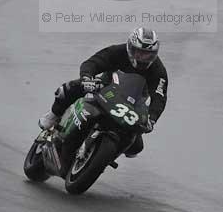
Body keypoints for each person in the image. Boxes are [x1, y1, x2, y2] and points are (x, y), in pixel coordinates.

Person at [39, 27, 168, 157]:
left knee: (136, 147)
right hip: (106, 88)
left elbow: (160, 97)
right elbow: (92, 63)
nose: (143, 58)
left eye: (148, 54)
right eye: (139, 52)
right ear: (130, 47)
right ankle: (53, 115)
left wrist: (152, 119)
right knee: (68, 89)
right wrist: (87, 78)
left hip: (132, 105)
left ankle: (106, 155)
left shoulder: (158, 70)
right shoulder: (117, 51)